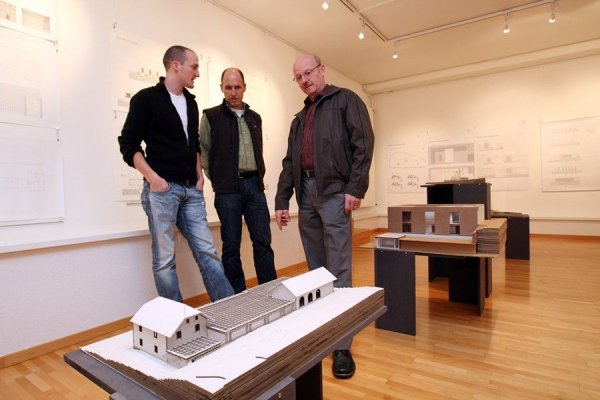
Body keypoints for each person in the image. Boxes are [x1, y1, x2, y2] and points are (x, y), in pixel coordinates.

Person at [274, 55, 374, 379]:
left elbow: (363, 145)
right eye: (298, 77)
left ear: (321, 70)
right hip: (306, 195)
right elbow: (289, 162)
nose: (304, 80)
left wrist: (355, 187)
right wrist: (282, 200)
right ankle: (322, 331)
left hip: (335, 193)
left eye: (308, 73)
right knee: (316, 271)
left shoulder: (346, 100)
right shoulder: (299, 118)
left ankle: (341, 345)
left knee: (339, 268)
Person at [118, 45, 234, 303]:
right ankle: (176, 319)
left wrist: (199, 175)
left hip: (191, 190)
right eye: (194, 66)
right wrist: (154, 179)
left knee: (207, 252)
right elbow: (128, 144)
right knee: (164, 260)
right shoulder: (146, 99)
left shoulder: (191, 103)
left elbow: (193, 143)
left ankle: (228, 309)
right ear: (175, 65)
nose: (197, 73)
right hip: (162, 191)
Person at [199, 68, 277, 293]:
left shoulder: (255, 118)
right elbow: (204, 151)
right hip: (227, 190)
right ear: (221, 88)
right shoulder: (211, 117)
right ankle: (237, 296)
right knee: (231, 246)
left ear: (244, 87)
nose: (233, 92)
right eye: (228, 87)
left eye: (237, 87)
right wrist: (218, 179)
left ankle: (270, 291)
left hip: (254, 187)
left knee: (263, 242)